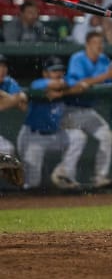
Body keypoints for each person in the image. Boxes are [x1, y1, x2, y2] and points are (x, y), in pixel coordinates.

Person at [51, 31, 112, 189]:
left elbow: (108, 81)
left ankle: (100, 176)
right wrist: (104, 77)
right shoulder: (78, 58)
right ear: (88, 44)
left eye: (101, 43)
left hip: (88, 110)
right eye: (96, 43)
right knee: (78, 138)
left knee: (107, 136)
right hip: (71, 108)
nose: (99, 46)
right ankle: (64, 173)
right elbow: (79, 84)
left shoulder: (103, 59)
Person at [17, 56, 74, 189]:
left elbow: (74, 83)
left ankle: (62, 173)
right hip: (33, 137)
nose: (58, 74)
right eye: (54, 71)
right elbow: (50, 85)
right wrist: (61, 89)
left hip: (54, 135)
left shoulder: (65, 83)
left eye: (60, 70)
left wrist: (62, 90)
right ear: (45, 73)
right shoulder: (37, 84)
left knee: (78, 137)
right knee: (32, 184)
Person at [0, 55, 28, 157]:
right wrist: (17, 97)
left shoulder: (9, 82)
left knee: (7, 149)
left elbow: (23, 107)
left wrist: (12, 98)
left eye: (4, 66)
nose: (2, 70)